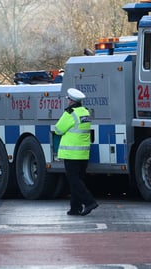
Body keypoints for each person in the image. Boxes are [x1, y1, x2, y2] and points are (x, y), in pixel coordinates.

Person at [54, 88, 98, 216]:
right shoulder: (85, 112)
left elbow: (58, 129)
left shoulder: (70, 113)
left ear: (71, 101)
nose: (68, 101)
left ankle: (89, 202)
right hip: (83, 153)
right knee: (77, 180)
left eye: (68, 99)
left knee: (74, 181)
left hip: (71, 154)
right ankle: (75, 208)